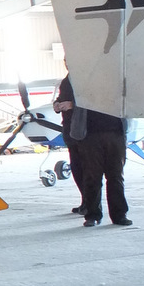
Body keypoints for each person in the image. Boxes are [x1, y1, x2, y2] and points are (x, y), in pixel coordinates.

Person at [52, 74, 86, 215]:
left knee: (88, 170)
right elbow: (61, 97)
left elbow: (93, 101)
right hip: (70, 130)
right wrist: (57, 104)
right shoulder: (66, 81)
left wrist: (72, 105)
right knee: (77, 168)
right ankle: (86, 201)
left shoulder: (84, 78)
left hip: (84, 131)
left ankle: (90, 203)